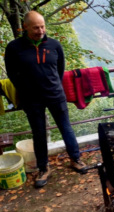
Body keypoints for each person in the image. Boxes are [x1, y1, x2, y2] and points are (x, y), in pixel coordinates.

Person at [4, 11, 87, 188]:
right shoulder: (14, 48)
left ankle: (76, 159)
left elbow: (59, 70)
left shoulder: (54, 45)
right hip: (31, 99)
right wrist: (27, 88)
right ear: (25, 27)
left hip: (55, 95)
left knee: (66, 127)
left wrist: (50, 84)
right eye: (36, 27)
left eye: (42, 26)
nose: (40, 30)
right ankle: (43, 168)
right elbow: (12, 73)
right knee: (39, 133)